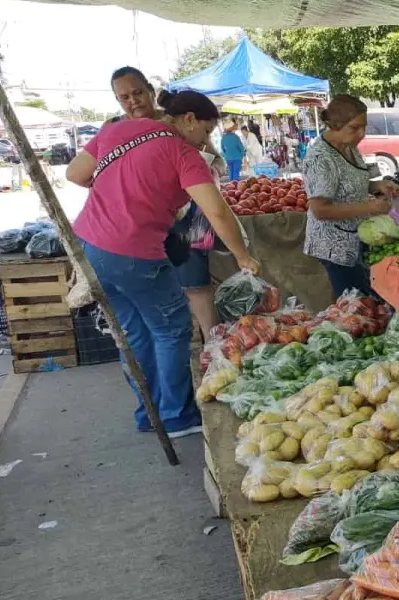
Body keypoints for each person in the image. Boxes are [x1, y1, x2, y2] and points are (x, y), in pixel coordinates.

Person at [65, 89, 258, 437]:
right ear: (187, 120)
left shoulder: (117, 130)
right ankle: (176, 416)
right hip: (135, 251)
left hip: (91, 246)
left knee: (135, 333)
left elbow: (75, 174)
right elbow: (216, 212)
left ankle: (148, 413)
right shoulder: (184, 154)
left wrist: (121, 188)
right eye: (206, 130)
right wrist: (243, 257)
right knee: (171, 330)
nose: (206, 138)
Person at [106, 66, 222, 341]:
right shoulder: (113, 128)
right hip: (138, 222)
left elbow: (214, 161)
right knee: (150, 290)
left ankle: (212, 346)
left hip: (183, 220)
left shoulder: (178, 121)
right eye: (124, 97)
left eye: (137, 93)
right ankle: (174, 345)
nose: (133, 101)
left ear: (150, 91)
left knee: (195, 285)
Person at [303, 95, 399, 299]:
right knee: (354, 306)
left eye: (364, 127)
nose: (362, 134)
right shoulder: (320, 158)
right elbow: (319, 209)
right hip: (334, 246)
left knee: (364, 301)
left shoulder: (349, 148)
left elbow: (353, 183)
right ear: (335, 125)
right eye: (355, 128)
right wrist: (368, 208)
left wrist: (379, 186)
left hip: (355, 238)